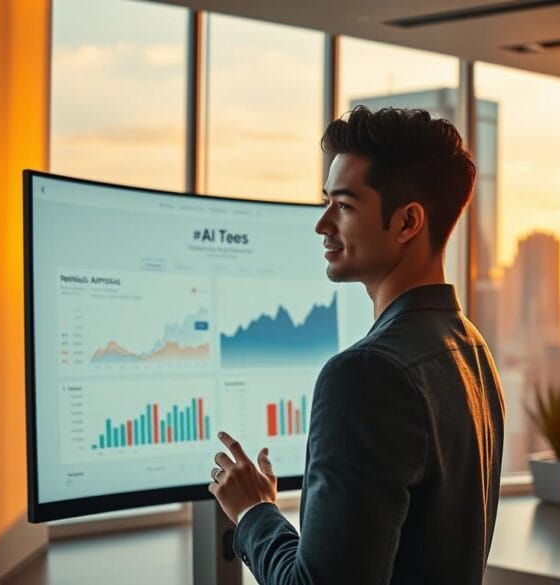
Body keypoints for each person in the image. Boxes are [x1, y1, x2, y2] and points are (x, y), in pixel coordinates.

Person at [208, 106, 505, 584]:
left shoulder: (367, 375)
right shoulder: (471, 348)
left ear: (408, 222)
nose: (322, 224)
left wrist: (252, 512)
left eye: (344, 205)